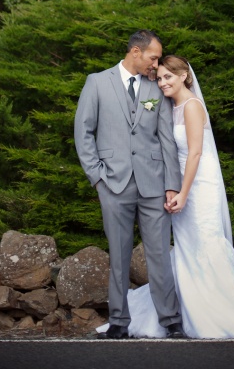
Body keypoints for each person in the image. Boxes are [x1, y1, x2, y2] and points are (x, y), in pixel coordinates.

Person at [104, 55, 234, 340]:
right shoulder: (167, 104)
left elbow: (196, 153)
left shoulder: (191, 106)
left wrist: (184, 192)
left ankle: (220, 315)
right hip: (180, 183)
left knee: (206, 242)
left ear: (184, 76)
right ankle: (185, 312)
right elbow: (152, 128)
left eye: (168, 77)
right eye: (160, 77)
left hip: (199, 184)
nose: (162, 82)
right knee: (186, 248)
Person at [74, 30, 186, 339]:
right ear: (135, 52)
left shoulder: (155, 88)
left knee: (160, 254)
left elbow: (166, 139)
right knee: (119, 255)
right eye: (153, 57)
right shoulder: (97, 82)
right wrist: (97, 178)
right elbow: (83, 133)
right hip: (113, 184)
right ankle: (119, 322)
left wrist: (172, 184)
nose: (156, 63)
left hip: (154, 184)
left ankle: (171, 320)